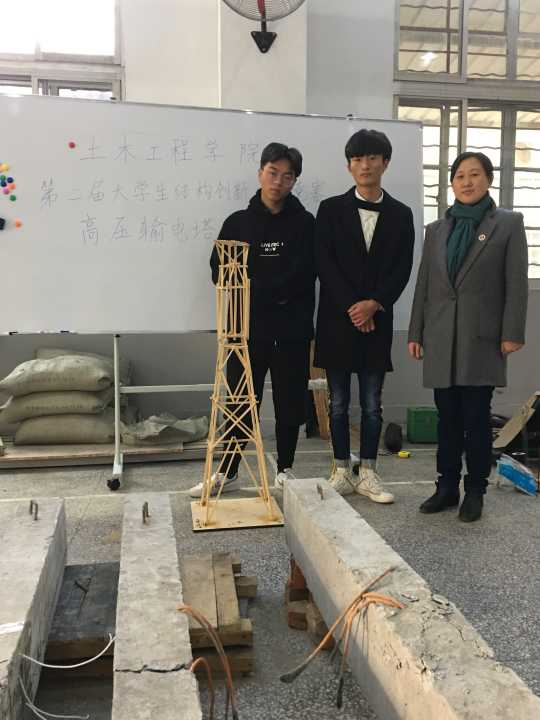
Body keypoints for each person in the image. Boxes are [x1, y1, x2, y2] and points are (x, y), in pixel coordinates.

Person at [408, 151, 528, 522]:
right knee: (447, 418)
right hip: (441, 337)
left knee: (476, 418)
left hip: (482, 338)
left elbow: (516, 283)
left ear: (488, 179)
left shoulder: (507, 223)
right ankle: (446, 486)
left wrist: (512, 332)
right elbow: (425, 285)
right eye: (460, 176)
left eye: (474, 174)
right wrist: (416, 332)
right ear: (451, 183)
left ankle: (475, 490)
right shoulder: (437, 230)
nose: (467, 182)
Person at [190, 142, 315, 497]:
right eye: (272, 173)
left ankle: (285, 470)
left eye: (287, 176)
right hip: (245, 331)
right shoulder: (237, 222)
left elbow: (306, 273)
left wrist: (258, 286)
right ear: (260, 173)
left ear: (294, 181)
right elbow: (219, 269)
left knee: (290, 401)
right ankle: (228, 472)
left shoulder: (305, 224)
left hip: (291, 331)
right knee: (241, 402)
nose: (278, 181)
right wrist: (260, 288)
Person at [314, 129, 415, 503]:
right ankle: (341, 470)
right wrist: (355, 307)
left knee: (373, 404)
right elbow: (324, 263)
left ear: (385, 162)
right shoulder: (330, 209)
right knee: (338, 403)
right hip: (337, 320)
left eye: (372, 157)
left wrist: (374, 304)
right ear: (349, 166)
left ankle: (369, 473)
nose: (365, 165)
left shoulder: (401, 214)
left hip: (377, 321)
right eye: (357, 159)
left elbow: (402, 268)